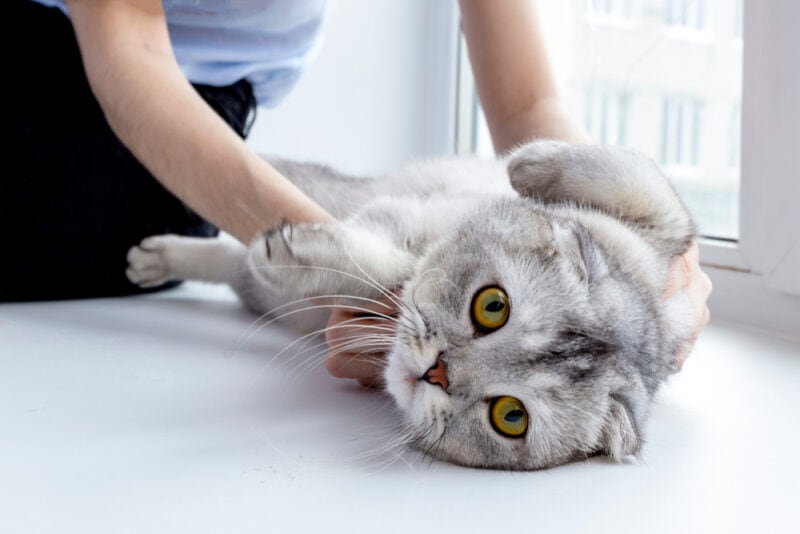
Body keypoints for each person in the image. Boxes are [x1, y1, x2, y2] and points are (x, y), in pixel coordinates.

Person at [3, 0, 711, 384]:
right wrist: (355, 275)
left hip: (201, 105)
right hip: (70, 65)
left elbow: (529, 113)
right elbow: (129, 49)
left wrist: (635, 257)